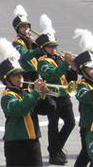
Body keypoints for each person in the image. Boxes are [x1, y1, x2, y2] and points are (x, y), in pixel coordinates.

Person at [0, 53, 48, 167]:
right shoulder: (7, 96)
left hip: (33, 141)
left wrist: (44, 96)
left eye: (21, 75)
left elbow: (43, 110)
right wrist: (35, 93)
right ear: (7, 79)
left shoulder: (26, 92)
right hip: (16, 143)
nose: (21, 79)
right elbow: (19, 109)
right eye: (16, 76)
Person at [36, 32, 77, 165]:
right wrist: (66, 63)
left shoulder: (59, 59)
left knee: (70, 123)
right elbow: (52, 75)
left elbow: (71, 79)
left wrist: (73, 68)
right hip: (52, 97)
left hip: (64, 95)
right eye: (50, 47)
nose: (54, 49)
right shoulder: (42, 61)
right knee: (53, 126)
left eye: (55, 46)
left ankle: (56, 148)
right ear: (44, 48)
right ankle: (54, 154)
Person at [73, 50, 93, 167]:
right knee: (87, 153)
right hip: (88, 125)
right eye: (91, 68)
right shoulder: (81, 84)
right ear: (83, 70)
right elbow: (85, 97)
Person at [11, 5, 40, 82]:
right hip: (25, 72)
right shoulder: (16, 42)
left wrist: (36, 44)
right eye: (23, 26)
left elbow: (40, 55)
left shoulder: (30, 39)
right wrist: (37, 49)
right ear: (18, 29)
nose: (26, 28)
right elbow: (25, 56)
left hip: (35, 70)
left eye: (27, 26)